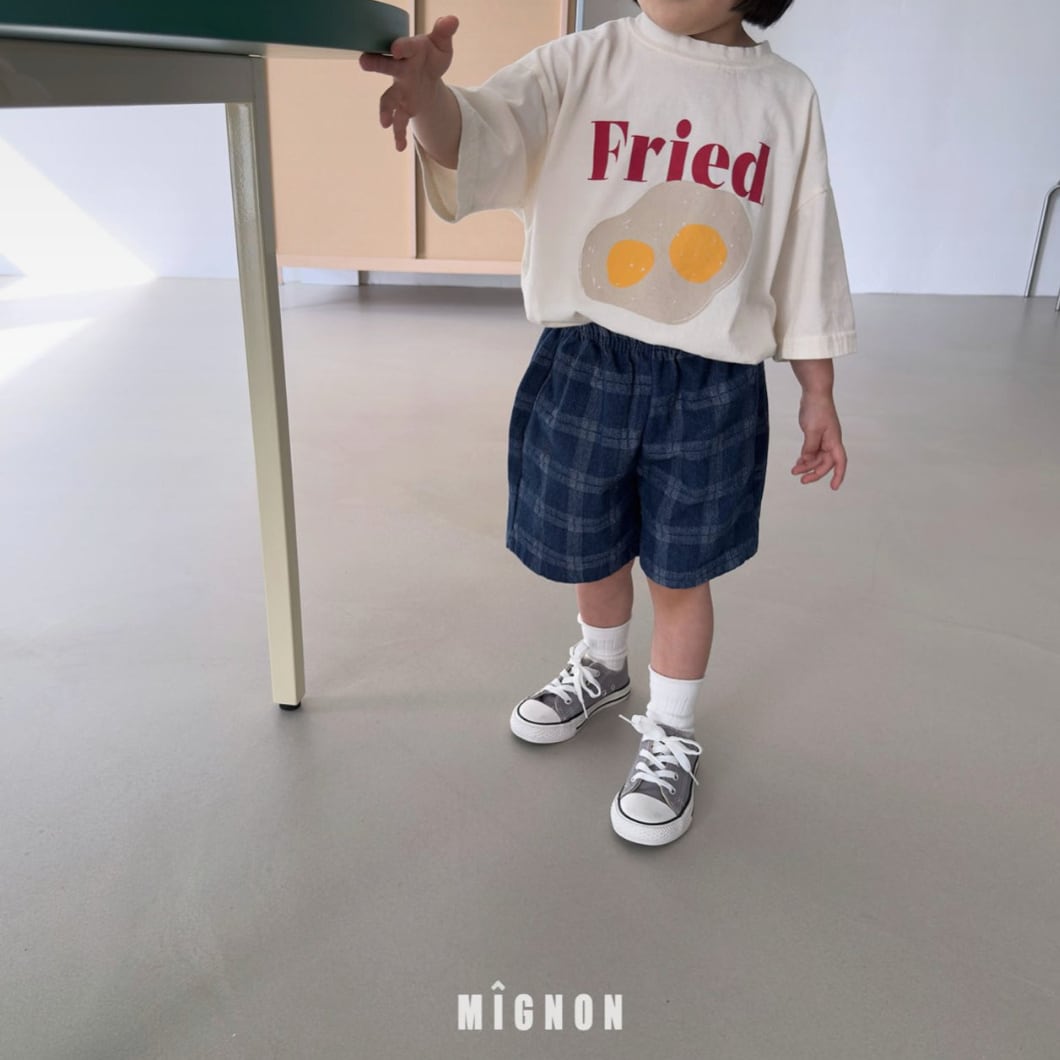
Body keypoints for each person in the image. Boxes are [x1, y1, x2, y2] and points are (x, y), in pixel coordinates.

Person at [360, 0, 856, 846]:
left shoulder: (784, 96)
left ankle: (672, 730)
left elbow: (807, 250)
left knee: (681, 571)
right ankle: (600, 665)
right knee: (591, 545)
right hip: (587, 360)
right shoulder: (583, 61)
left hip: (712, 383)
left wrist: (818, 388)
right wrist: (430, 96)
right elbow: (484, 140)